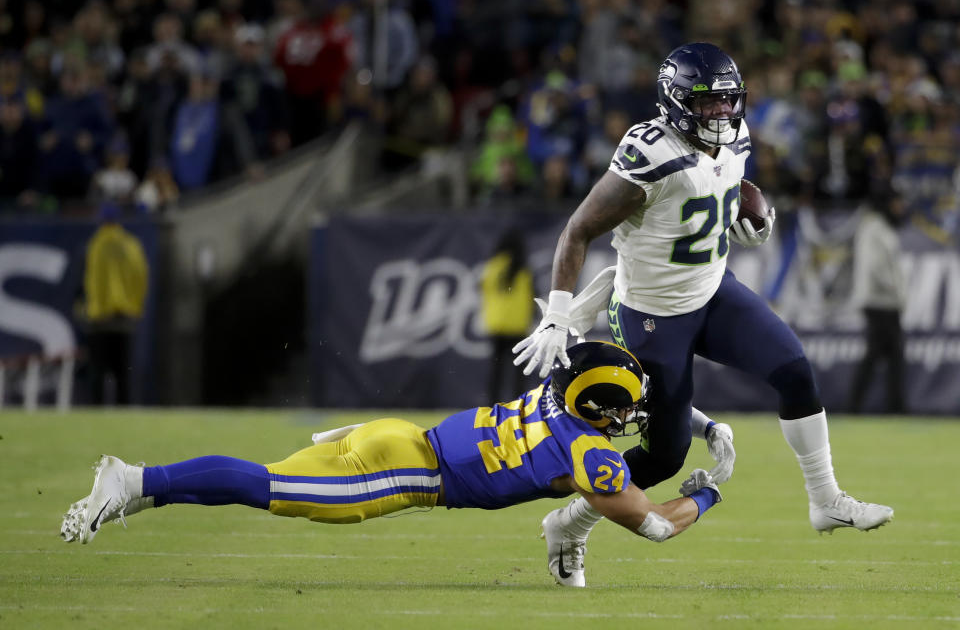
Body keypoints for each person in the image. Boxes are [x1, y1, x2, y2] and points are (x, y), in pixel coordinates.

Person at [512, 42, 893, 586]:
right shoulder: (651, 151)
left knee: (794, 370)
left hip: (712, 291)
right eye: (708, 103)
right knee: (665, 456)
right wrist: (557, 314)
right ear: (675, 100)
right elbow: (578, 229)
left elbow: (724, 186)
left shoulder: (735, 135)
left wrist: (746, 212)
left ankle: (826, 498)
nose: (721, 113)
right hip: (650, 313)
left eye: (727, 102)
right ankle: (570, 523)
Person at [61, 342, 725, 586]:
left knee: (263, 478)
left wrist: (692, 422)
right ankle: (135, 479)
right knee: (268, 488)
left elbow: (606, 380)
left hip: (399, 436)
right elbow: (657, 525)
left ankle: (138, 493)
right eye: (625, 410)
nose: (632, 419)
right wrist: (710, 491)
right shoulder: (589, 456)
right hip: (410, 475)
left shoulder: (560, 387)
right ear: (601, 409)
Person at [81, 204, 149, 404]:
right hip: (125, 318)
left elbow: (87, 280)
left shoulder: (95, 245)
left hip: (100, 319)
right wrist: (136, 307)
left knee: (98, 375)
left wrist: (91, 309)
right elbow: (141, 278)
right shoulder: (132, 245)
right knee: (123, 375)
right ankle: (123, 419)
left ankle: (95, 422)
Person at [847, 192, 907, 413]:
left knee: (886, 357)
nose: (901, 207)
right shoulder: (875, 228)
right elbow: (876, 267)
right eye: (898, 202)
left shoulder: (880, 227)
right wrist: (896, 290)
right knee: (883, 357)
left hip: (884, 303)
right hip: (880, 302)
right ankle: (860, 406)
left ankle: (891, 406)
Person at [480, 229, 535, 404]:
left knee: (496, 371)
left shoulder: (492, 267)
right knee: (519, 372)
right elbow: (532, 297)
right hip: (518, 326)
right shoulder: (523, 269)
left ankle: (492, 406)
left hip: (496, 325)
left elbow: (483, 289)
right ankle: (517, 405)